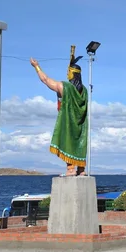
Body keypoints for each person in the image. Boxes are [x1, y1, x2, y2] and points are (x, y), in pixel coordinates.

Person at [30, 46, 88, 177]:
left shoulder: (64, 87)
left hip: (68, 121)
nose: (67, 74)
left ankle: (71, 169)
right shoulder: (84, 91)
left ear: (71, 73)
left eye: (68, 72)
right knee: (79, 143)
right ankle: (81, 170)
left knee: (67, 141)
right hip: (81, 124)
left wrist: (36, 67)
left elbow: (46, 80)